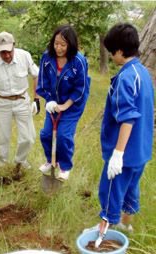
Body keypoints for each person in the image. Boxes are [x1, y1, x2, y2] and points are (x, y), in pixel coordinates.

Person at [98, 23, 154, 234]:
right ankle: (126, 225)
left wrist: (117, 155)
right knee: (131, 188)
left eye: (112, 51)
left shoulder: (126, 77)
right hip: (141, 150)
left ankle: (104, 236)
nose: (112, 56)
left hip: (125, 152)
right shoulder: (143, 73)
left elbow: (128, 118)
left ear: (120, 51)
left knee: (110, 191)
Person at [0, 31, 40, 175]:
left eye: (9, 51)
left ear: (14, 45)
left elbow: (37, 76)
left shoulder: (24, 56)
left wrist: (36, 99)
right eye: (2, 53)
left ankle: (20, 162)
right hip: (1, 102)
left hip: (22, 100)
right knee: (3, 138)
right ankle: (2, 166)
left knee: (28, 137)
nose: (6, 55)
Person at [36, 24, 90, 180]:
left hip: (72, 105)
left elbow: (81, 88)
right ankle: (51, 160)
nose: (58, 48)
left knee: (63, 136)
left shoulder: (78, 61)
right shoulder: (47, 57)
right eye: (56, 43)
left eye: (63, 45)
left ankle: (65, 167)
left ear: (70, 44)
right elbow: (42, 82)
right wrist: (50, 101)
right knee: (46, 134)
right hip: (53, 103)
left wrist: (64, 106)